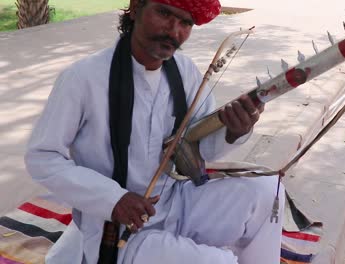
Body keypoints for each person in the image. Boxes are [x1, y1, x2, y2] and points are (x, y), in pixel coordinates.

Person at [24, 0, 285, 263]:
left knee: (267, 190)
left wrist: (233, 131)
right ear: (136, 8)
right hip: (115, 227)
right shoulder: (83, 78)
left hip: (177, 202)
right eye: (164, 13)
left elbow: (199, 149)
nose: (174, 31)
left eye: (185, 23)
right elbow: (43, 157)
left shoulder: (186, 73)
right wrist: (114, 198)